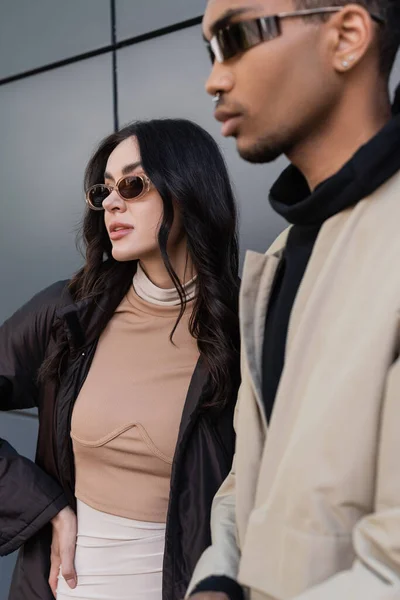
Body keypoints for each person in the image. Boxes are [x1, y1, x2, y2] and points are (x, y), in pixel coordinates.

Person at [187, 1, 400, 599]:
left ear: (347, 36)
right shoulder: (281, 255)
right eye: (210, 49)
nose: (214, 77)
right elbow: (253, 480)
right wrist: (219, 577)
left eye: (235, 36)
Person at [0, 118, 241, 600]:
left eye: (133, 185)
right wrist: (44, 506)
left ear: (187, 187)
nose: (112, 202)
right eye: (105, 190)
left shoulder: (243, 329)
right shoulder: (67, 312)